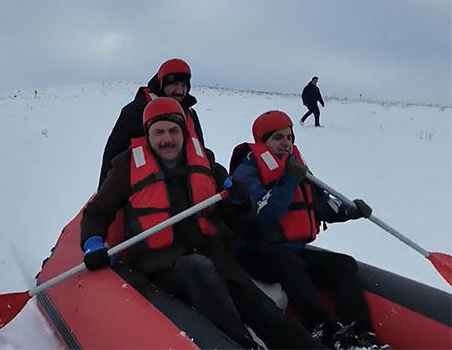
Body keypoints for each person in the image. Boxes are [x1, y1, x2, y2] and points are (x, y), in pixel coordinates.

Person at [82, 98, 325, 350]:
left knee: (261, 307)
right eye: (159, 132)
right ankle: (243, 344)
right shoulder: (127, 166)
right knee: (198, 268)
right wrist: (92, 241)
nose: (167, 139)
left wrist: (240, 201)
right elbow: (98, 212)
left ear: (184, 131)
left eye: (174, 130)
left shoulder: (205, 161)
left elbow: (239, 213)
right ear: (148, 134)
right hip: (161, 263)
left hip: (213, 254)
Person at [227, 110, 388, 349]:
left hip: (290, 250)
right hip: (256, 254)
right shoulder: (248, 170)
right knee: (290, 263)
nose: (286, 143)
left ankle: (360, 334)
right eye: (278, 137)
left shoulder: (295, 167)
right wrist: (290, 180)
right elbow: (262, 216)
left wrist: (350, 211)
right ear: (263, 141)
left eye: (289, 137)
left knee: (343, 264)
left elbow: (320, 207)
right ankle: (322, 328)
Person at [98, 58, 205, 188]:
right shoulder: (136, 111)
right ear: (161, 84)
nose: (180, 91)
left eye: (184, 85)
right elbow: (113, 154)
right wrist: (105, 190)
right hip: (143, 189)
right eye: (174, 84)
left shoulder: (190, 115)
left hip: (185, 190)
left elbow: (201, 151)